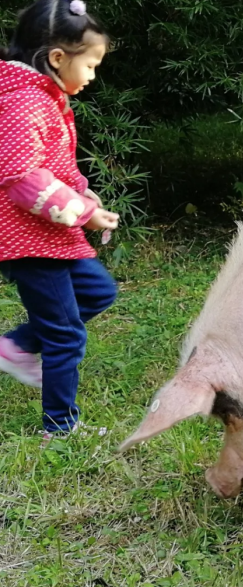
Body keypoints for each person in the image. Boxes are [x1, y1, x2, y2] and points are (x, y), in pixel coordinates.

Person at [0, 0, 119, 439]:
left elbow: (49, 166)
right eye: (90, 64)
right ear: (57, 58)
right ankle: (60, 427)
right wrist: (83, 213)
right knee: (66, 334)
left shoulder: (42, 98)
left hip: (50, 233)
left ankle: (17, 345)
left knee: (98, 291)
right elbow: (20, 176)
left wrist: (82, 194)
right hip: (27, 238)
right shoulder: (23, 101)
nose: (91, 75)